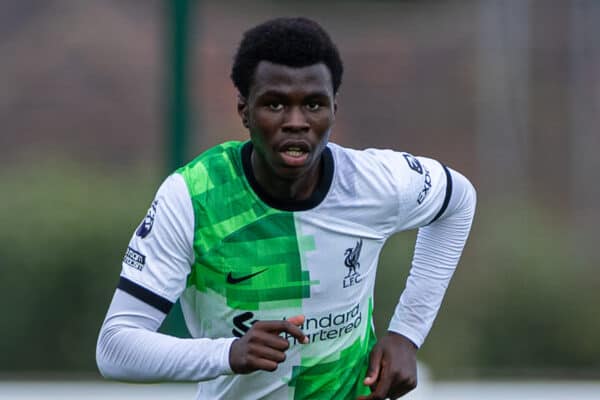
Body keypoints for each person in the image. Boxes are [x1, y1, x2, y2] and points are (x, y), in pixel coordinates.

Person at [96, 17, 476, 400]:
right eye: (275, 104)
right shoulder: (193, 198)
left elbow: (459, 201)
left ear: (333, 109)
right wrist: (227, 352)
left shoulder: (374, 182)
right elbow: (115, 347)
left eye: (313, 105)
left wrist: (406, 334)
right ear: (244, 111)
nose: (296, 122)